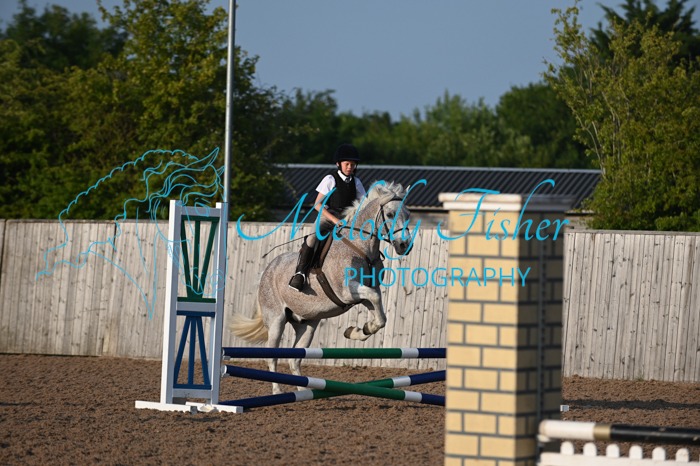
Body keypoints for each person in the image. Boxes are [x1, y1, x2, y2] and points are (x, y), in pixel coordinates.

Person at [289, 143, 367, 291]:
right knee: (312, 237)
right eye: (347, 164)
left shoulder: (356, 182)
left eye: (352, 164)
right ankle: (300, 274)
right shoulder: (330, 179)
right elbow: (317, 204)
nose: (350, 167)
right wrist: (334, 220)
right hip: (328, 216)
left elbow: (364, 204)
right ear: (338, 164)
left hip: (347, 219)